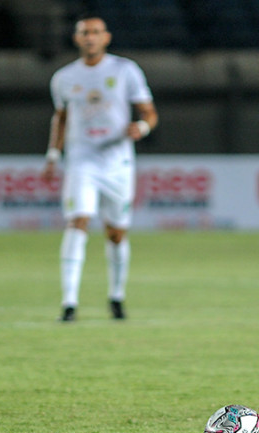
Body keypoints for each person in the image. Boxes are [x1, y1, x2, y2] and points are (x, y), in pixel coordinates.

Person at [41, 14, 158, 321]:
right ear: (76, 39)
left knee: (116, 232)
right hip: (82, 160)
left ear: (106, 37)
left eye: (95, 32)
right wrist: (53, 155)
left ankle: (116, 296)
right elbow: (61, 117)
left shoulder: (125, 70)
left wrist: (142, 128)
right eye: (84, 33)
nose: (90, 37)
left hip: (118, 161)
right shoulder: (64, 78)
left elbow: (149, 112)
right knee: (77, 221)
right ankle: (69, 304)